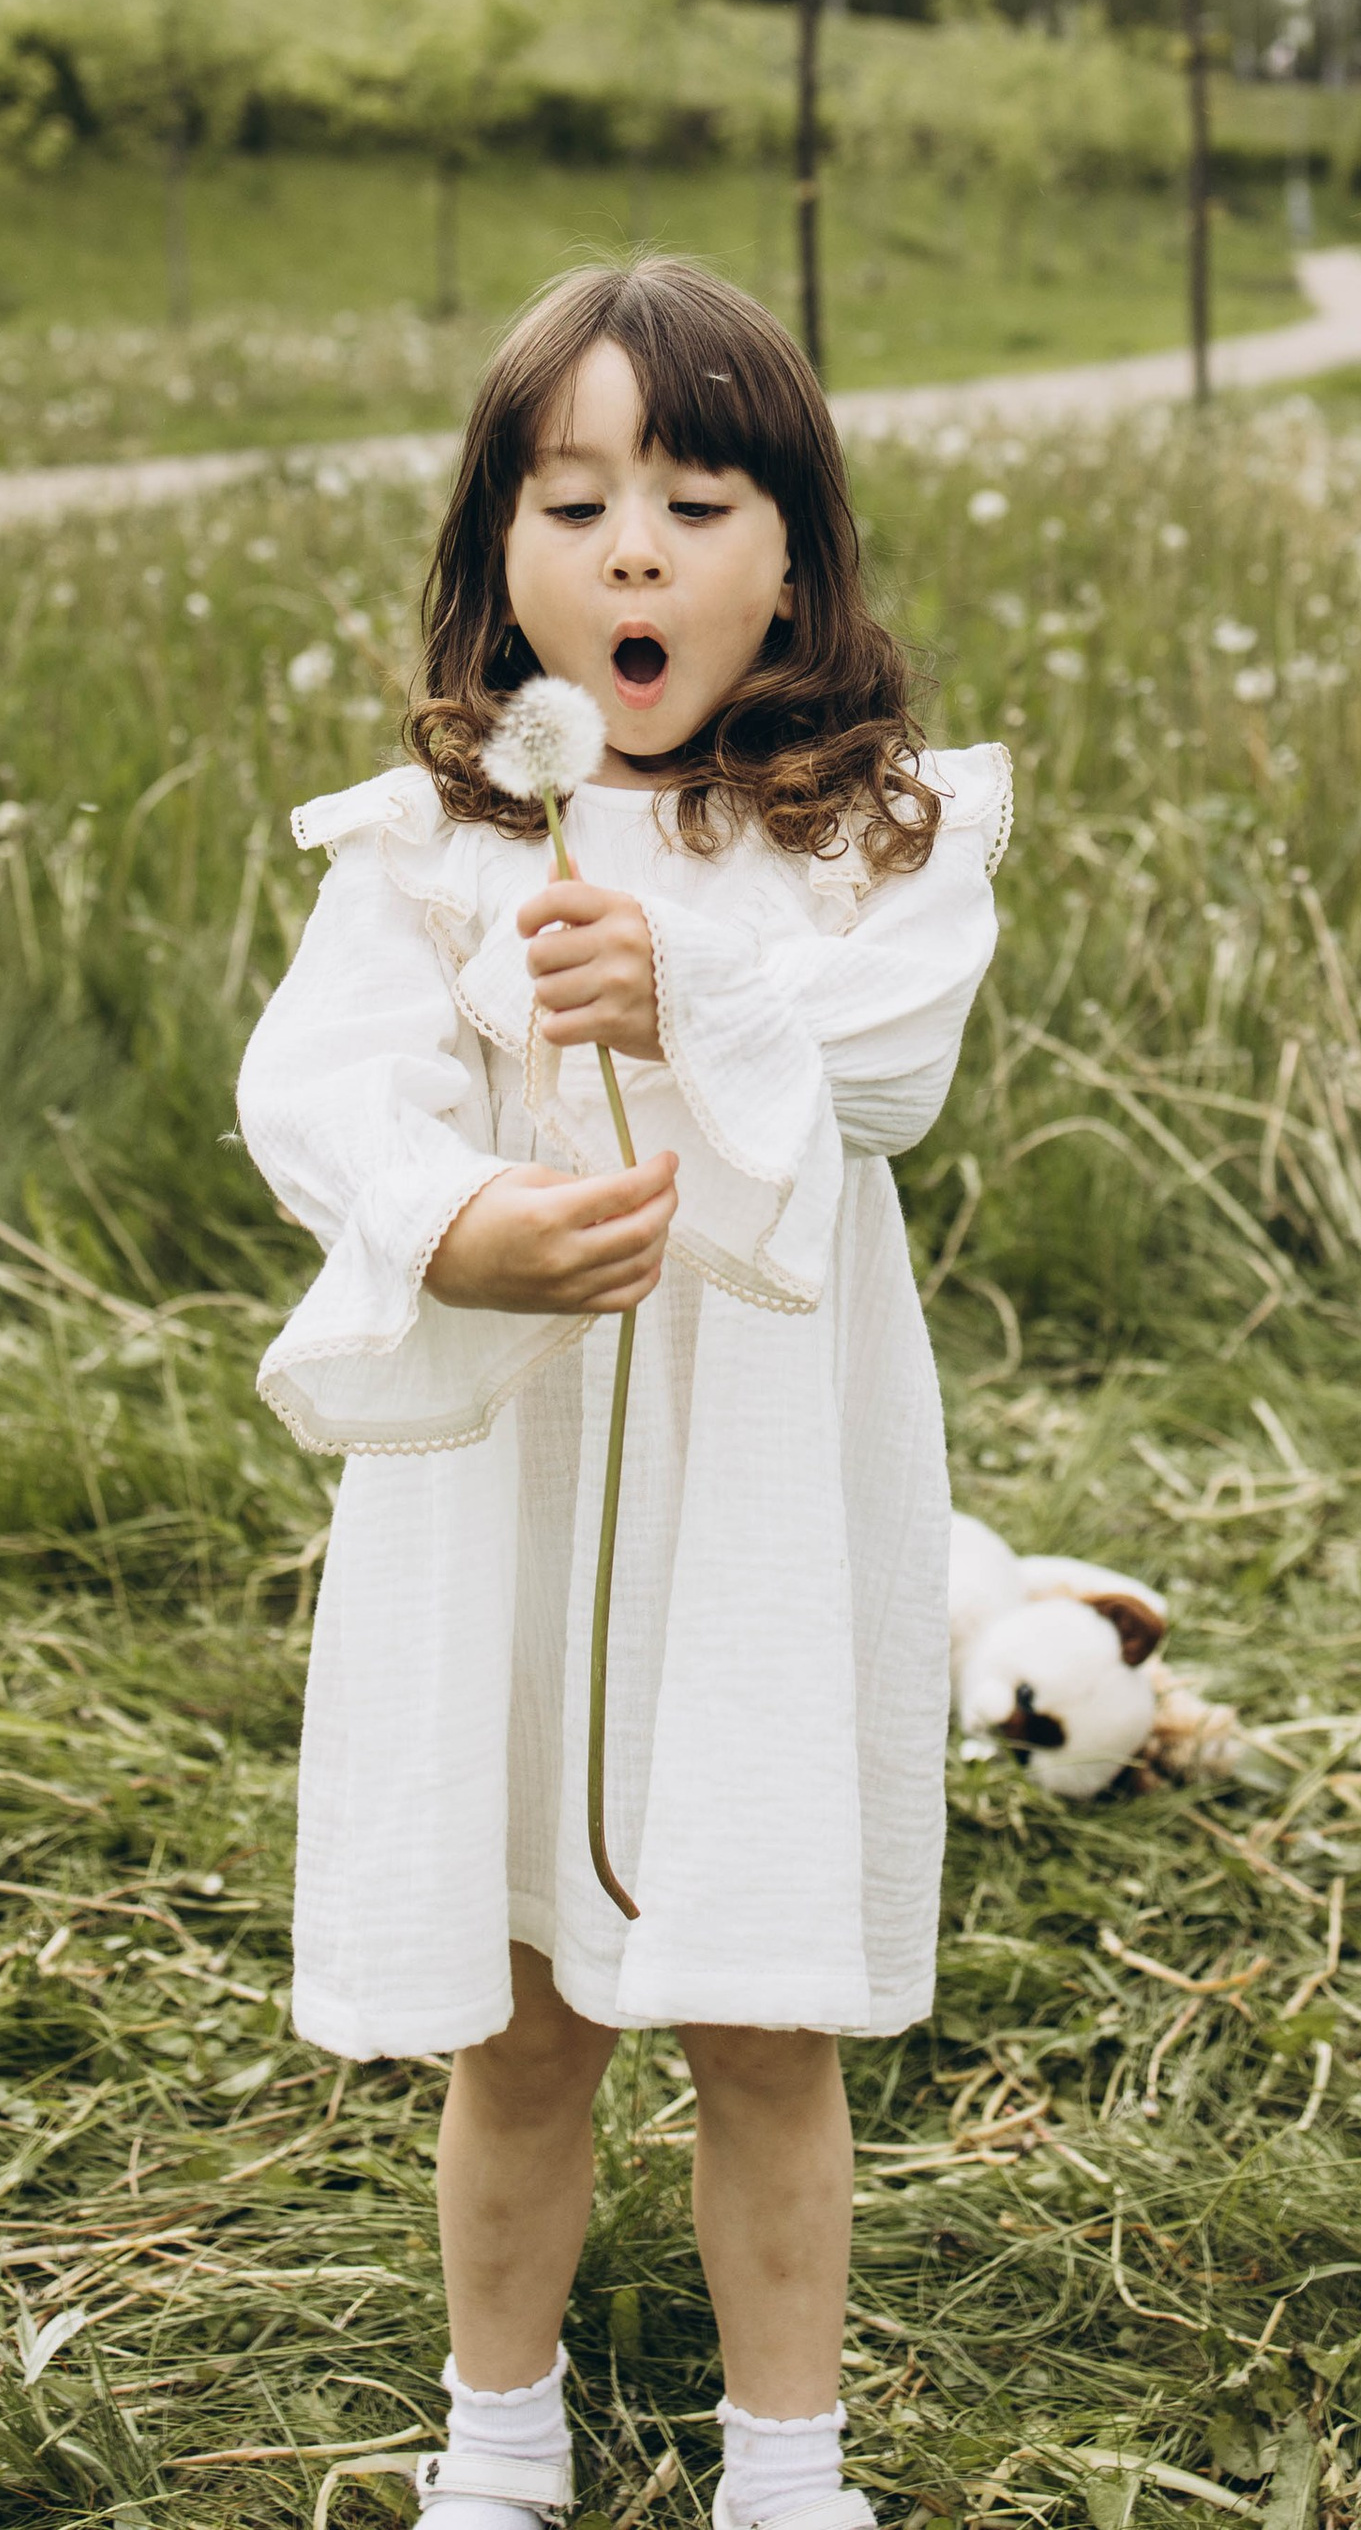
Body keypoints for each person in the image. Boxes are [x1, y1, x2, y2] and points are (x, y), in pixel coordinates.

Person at [237, 257, 1010, 2530]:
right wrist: (451, 1217)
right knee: (520, 2011)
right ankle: (497, 2438)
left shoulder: (874, 839)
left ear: (792, 565)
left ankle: (788, 2465)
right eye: (570, 503)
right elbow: (326, 1090)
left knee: (759, 2008)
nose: (632, 551)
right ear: (499, 555)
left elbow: (879, 1066)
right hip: (528, 1470)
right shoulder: (435, 846)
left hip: (756, 1477)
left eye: (692, 496)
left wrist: (681, 988)